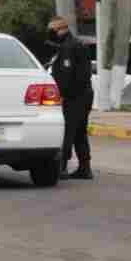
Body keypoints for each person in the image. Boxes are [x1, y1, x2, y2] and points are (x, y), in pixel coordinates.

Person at [48, 16, 94, 180]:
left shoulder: (68, 47)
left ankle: (62, 167)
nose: (50, 33)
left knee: (67, 131)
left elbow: (67, 76)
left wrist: (62, 95)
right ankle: (84, 167)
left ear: (61, 29)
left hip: (74, 96)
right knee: (80, 131)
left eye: (52, 30)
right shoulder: (75, 44)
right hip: (84, 94)